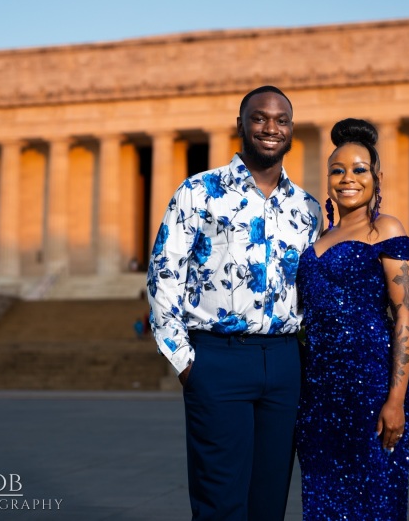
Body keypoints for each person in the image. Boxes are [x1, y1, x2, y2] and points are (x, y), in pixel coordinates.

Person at [147, 86, 322, 521]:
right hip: (217, 361)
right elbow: (163, 275)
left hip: (284, 364)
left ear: (292, 131)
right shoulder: (198, 191)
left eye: (281, 120)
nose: (270, 127)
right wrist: (187, 363)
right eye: (259, 118)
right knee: (220, 502)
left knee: (269, 502)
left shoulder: (308, 208)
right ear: (240, 125)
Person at [295, 118, 409, 520]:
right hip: (317, 391)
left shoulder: (385, 229)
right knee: (322, 498)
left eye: (359, 169)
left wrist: (395, 399)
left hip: (370, 386)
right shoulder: (316, 240)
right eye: (338, 170)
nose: (348, 178)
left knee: (373, 498)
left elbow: (405, 316)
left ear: (376, 177)